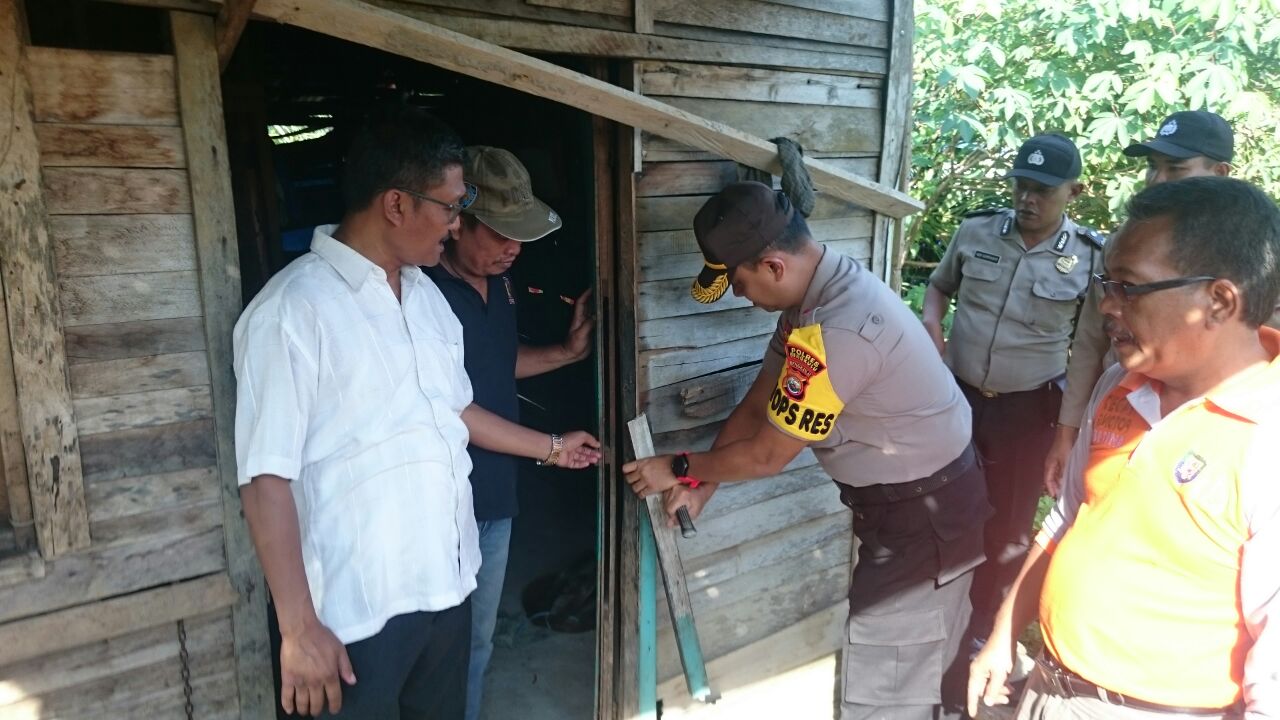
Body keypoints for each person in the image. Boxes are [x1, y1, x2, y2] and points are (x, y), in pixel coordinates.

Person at [233, 105, 600, 719]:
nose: (457, 226)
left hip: (447, 589)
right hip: (356, 614)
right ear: (397, 204)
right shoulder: (292, 312)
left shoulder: (427, 297)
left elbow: (454, 410)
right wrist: (299, 630)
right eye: (451, 206)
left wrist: (554, 446)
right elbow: (266, 477)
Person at [623, 181, 991, 720]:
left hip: (926, 519)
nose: (735, 295)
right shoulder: (808, 300)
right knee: (913, 673)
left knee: (884, 691)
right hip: (914, 508)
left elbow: (769, 455)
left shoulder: (838, 327)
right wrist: (702, 484)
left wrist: (676, 466)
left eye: (738, 281)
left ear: (773, 266)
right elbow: (758, 406)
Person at [968, 176, 1280, 720]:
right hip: (1050, 685)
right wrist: (1004, 633)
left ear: (1219, 300)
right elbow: (1068, 515)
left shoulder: (1267, 436)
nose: (1108, 306)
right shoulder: (1121, 385)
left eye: (1129, 288)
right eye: (1105, 284)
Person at [423, 145, 594, 720]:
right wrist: (551, 448)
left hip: (495, 496)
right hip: (439, 503)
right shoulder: (419, 296)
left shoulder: (498, 285)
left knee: (477, 641)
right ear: (456, 221)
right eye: (499, 233)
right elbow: (453, 407)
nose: (513, 248)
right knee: (433, 651)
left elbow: (497, 363)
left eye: (519, 234)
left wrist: (566, 352)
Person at [920, 133, 1103, 648]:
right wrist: (932, 324)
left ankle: (985, 629)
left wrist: (1068, 434)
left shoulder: (1091, 259)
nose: (1028, 198)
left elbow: (1089, 348)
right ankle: (934, 607)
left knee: (1009, 528)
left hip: (1029, 410)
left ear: (1074, 191)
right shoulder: (977, 231)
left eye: (1043, 190)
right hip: (957, 398)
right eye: (1022, 185)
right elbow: (938, 286)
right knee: (942, 504)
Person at [1041, 110, 1240, 496]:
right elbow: (1088, 344)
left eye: (1175, 168)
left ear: (1220, 172)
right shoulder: (1123, 245)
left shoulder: (1251, 256)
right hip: (1116, 420)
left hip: (1207, 439)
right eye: (1153, 167)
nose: (1157, 180)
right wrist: (1066, 434)